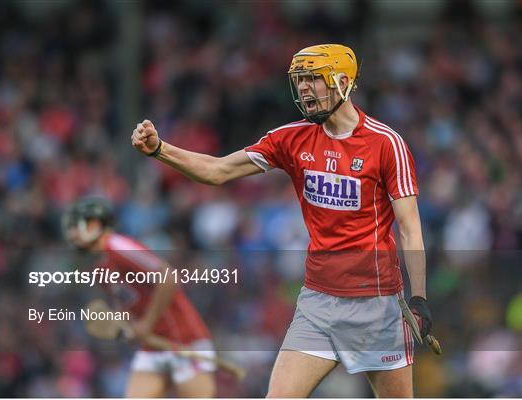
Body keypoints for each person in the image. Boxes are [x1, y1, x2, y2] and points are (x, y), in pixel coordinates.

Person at [131, 44, 433, 398]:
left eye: (313, 80)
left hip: (376, 304)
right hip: (318, 304)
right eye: (299, 80)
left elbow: (410, 228)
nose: (304, 88)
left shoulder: (386, 144)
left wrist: (419, 297)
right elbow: (217, 170)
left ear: (342, 82)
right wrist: (159, 150)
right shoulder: (291, 138)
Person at [62, 197, 216, 398]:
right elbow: (127, 306)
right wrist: (123, 325)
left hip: (184, 340)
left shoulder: (119, 247)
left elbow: (168, 277)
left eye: (77, 225)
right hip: (153, 348)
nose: (71, 233)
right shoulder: (100, 268)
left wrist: (146, 323)